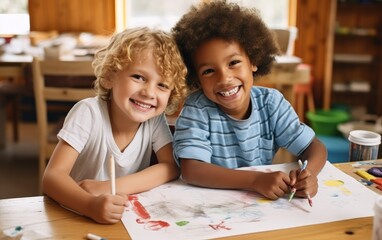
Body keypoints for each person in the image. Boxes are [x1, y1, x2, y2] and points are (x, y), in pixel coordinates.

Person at [172, 0, 327, 201]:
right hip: (211, 206)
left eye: (234, 63)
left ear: (253, 61)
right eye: (209, 71)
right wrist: (254, 180)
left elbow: (313, 147)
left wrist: (310, 174)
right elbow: (192, 169)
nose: (224, 78)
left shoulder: (271, 104)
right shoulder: (197, 109)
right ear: (196, 78)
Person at [42, 27, 187, 224]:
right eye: (138, 77)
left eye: (162, 85)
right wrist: (90, 206)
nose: (149, 93)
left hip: (124, 218)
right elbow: (52, 177)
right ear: (110, 76)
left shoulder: (154, 120)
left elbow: (170, 167)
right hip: (75, 215)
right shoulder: (88, 112)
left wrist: (110, 186)